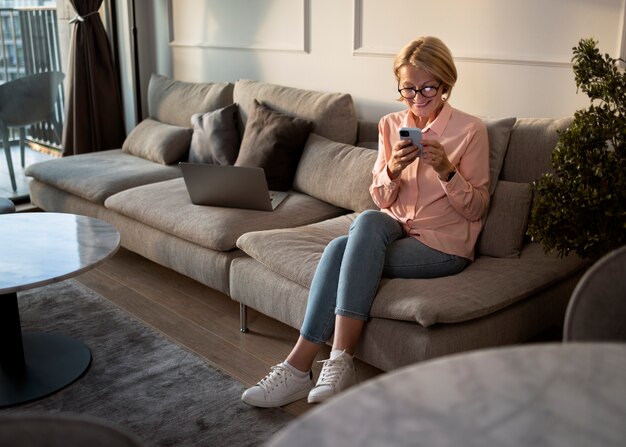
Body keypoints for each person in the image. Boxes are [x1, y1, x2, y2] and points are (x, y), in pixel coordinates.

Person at [241, 36, 490, 408]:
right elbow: (379, 197)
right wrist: (392, 168)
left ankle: (306, 366)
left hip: (442, 244)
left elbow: (477, 209)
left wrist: (446, 171)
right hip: (393, 230)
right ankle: (330, 363)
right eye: (408, 89)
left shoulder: (470, 131)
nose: (418, 98)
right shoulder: (391, 125)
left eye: (428, 88)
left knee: (340, 250)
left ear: (446, 84)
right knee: (365, 225)